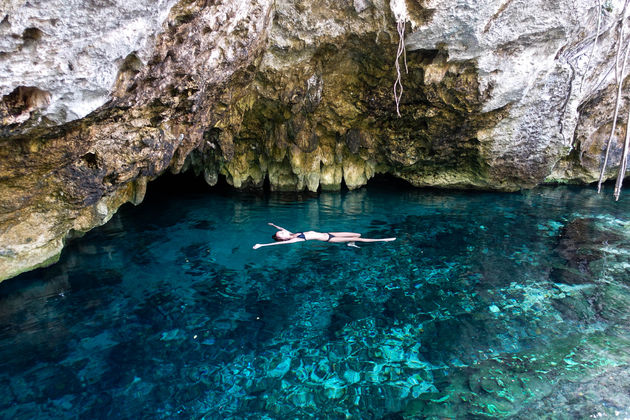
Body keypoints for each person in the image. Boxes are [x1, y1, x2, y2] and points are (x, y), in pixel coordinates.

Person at [252, 223, 396, 249]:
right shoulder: (294, 239)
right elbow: (278, 243)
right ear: (283, 238)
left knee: (356, 234)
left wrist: (274, 226)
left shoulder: (291, 233)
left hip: (329, 233)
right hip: (329, 239)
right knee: (360, 238)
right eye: (281, 234)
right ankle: (384, 239)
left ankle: (350, 244)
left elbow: (282, 228)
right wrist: (261, 245)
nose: (283, 232)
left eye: (282, 232)